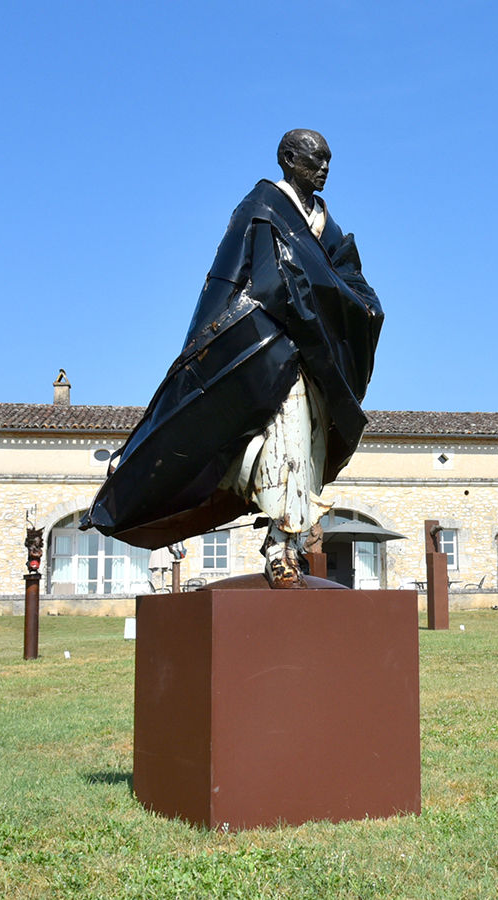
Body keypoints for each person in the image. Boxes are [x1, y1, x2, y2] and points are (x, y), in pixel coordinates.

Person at [81, 129, 383, 586]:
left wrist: (354, 306)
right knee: (288, 441)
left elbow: (348, 279)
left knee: (311, 446)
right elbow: (239, 282)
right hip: (267, 353)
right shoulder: (261, 209)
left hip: (316, 358)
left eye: (328, 161)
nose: (323, 169)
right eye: (314, 159)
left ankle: (288, 542)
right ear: (287, 159)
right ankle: (281, 546)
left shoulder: (328, 224)